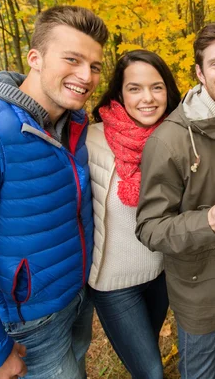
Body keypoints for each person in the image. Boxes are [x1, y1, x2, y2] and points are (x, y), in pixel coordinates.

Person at [0, 6, 108, 378]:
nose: (86, 76)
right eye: (72, 59)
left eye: (94, 66)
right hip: (27, 322)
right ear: (35, 58)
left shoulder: (71, 124)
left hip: (73, 297)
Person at [136, 19, 215, 379]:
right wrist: (207, 222)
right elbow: (150, 228)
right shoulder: (170, 141)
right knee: (199, 369)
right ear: (199, 73)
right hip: (199, 292)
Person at [86, 49, 181, 378]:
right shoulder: (90, 139)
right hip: (113, 284)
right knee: (152, 372)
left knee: (147, 350)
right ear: (119, 92)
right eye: (135, 88)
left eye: (156, 87)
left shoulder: (178, 138)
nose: (148, 98)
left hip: (161, 275)